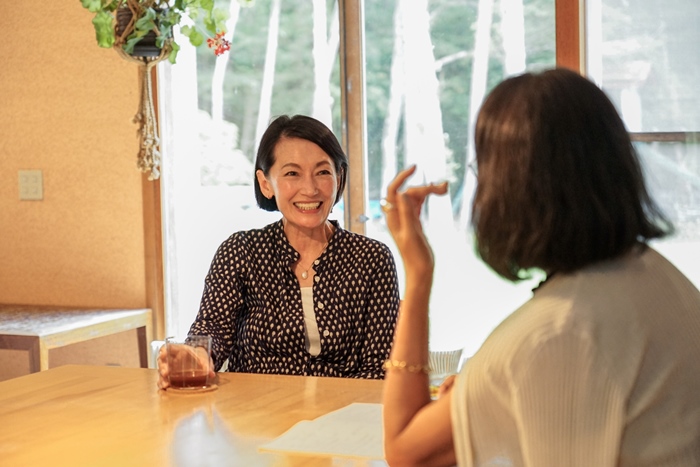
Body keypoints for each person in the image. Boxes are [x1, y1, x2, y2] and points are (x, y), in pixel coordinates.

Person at [381, 68, 700, 466]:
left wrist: (417, 273)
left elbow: (406, 451)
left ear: (510, 189)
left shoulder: (552, 335)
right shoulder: (657, 276)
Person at [158, 115, 400, 388]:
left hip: (343, 416)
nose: (309, 189)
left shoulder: (371, 258)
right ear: (266, 184)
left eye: (322, 172)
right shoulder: (241, 251)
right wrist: (195, 356)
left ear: (339, 176)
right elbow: (212, 328)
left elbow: (380, 366)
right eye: (292, 173)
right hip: (258, 415)